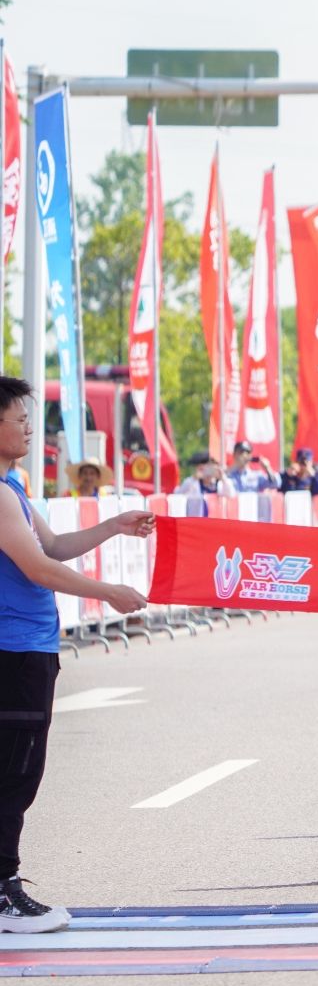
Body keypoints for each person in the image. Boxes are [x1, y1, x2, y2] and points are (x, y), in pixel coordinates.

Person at [0, 376, 153, 932]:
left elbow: (55, 546)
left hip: (29, 648)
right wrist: (109, 593)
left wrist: (115, 526)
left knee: (18, 771)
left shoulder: (10, 485)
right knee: (14, 775)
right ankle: (3, 891)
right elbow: (38, 569)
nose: (26, 427)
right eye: (18, 418)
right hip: (13, 651)